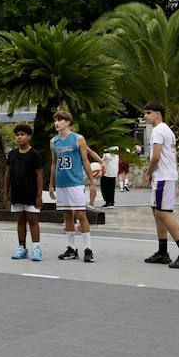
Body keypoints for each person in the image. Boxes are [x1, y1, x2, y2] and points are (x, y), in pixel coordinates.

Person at [140, 103, 179, 269]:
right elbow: (170, 157)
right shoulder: (168, 130)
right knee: (157, 212)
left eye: (148, 113)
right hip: (166, 176)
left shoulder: (158, 130)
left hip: (162, 177)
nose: (145, 116)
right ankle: (162, 252)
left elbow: (156, 157)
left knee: (163, 213)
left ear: (157, 114)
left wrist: (148, 173)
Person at [49, 110, 102, 263]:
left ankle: (88, 249)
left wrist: (92, 182)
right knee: (67, 215)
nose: (56, 123)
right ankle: (71, 248)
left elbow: (85, 161)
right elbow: (53, 163)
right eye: (55, 120)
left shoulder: (78, 139)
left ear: (68, 122)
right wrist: (51, 184)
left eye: (60, 120)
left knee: (81, 214)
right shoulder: (54, 141)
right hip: (61, 182)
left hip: (76, 182)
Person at [5, 123, 44, 262]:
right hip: (17, 193)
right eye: (17, 135)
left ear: (29, 137)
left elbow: (39, 175)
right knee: (20, 221)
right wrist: (6, 193)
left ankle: (37, 248)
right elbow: (8, 174)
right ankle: (22, 247)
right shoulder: (12, 154)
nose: (19, 137)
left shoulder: (35, 154)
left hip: (31, 194)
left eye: (22, 134)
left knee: (33, 221)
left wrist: (39, 195)